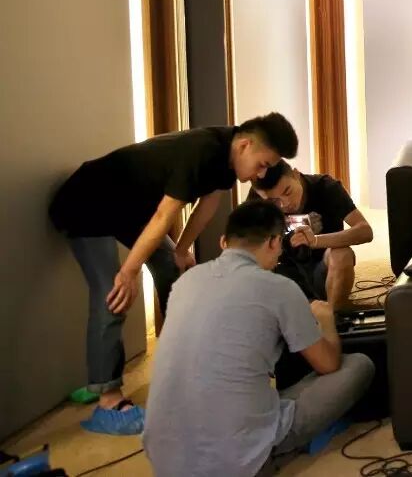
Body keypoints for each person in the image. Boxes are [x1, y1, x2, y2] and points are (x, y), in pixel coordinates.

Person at [48, 113, 298, 435]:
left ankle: (179, 362)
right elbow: (165, 214)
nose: (261, 174)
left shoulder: (228, 156)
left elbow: (206, 208)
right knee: (114, 291)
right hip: (88, 201)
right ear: (246, 145)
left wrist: (180, 251)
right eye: (262, 165)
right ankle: (107, 399)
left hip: (128, 209)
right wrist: (129, 271)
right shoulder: (201, 151)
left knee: (173, 269)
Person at [143, 198, 374, 477]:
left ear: (223, 242)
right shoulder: (280, 287)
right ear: (275, 243)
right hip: (236, 459)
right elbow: (328, 364)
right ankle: (277, 449)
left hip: (162, 457)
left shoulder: (184, 283)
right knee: (359, 365)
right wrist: (326, 321)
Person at [250, 161, 374, 309]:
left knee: (342, 254)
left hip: (324, 270)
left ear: (296, 174)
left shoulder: (326, 187)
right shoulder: (257, 200)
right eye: (273, 201)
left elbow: (365, 231)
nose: (285, 204)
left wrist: (315, 241)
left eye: (288, 192)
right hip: (283, 275)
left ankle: (333, 315)